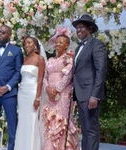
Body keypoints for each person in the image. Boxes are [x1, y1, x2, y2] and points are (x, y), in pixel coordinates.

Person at [72, 14, 108, 150]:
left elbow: (101, 71)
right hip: (80, 94)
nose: (78, 30)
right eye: (77, 28)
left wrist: (95, 95)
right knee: (85, 130)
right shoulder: (78, 48)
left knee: (91, 130)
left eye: (81, 27)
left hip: (90, 94)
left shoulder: (97, 45)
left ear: (90, 29)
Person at [42, 34, 79, 150]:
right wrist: (47, 89)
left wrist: (57, 89)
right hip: (50, 95)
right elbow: (44, 76)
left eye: (61, 42)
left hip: (62, 95)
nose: (57, 44)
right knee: (50, 121)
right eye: (56, 42)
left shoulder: (68, 59)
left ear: (67, 45)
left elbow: (68, 76)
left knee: (61, 121)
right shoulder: (50, 60)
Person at [14, 36, 45, 150]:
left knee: (32, 119)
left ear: (35, 45)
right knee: (22, 120)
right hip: (22, 93)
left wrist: (38, 98)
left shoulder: (40, 59)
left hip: (33, 92)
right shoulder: (24, 59)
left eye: (29, 42)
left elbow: (40, 79)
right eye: (25, 43)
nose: (26, 45)